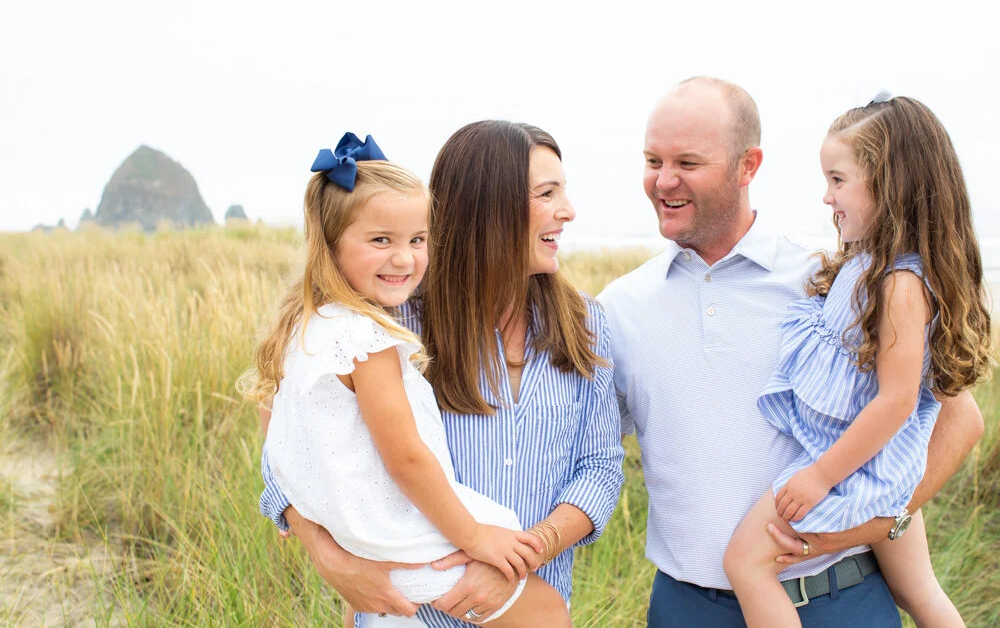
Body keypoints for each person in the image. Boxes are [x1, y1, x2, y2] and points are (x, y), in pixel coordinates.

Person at [597, 77, 986, 627]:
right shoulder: (617, 307)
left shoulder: (824, 283)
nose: (664, 181)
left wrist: (869, 526)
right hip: (686, 609)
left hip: (840, 599)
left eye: (687, 161)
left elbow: (956, 419)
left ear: (747, 166)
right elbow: (582, 447)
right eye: (652, 160)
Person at [258, 122, 626, 627]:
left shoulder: (585, 323)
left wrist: (521, 556)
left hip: (522, 606)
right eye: (547, 193)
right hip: (409, 615)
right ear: (488, 210)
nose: (568, 210)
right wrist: (332, 558)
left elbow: (600, 469)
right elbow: (288, 439)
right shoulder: (391, 322)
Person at [723, 95, 993, 627]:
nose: (827, 196)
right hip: (880, 464)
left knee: (746, 563)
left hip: (852, 466)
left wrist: (821, 476)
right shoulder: (875, 264)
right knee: (921, 591)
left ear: (889, 185)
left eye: (838, 180)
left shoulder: (899, 283)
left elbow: (895, 400)